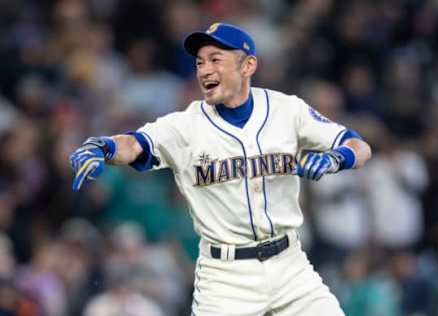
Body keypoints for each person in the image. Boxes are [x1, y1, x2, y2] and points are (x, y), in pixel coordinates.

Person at [69, 22, 372, 315]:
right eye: (200, 62)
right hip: (226, 277)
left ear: (247, 66)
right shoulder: (186, 126)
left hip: (289, 264)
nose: (205, 70)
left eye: (216, 59)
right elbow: (135, 144)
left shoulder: (286, 110)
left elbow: (359, 147)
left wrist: (337, 158)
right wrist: (107, 146)